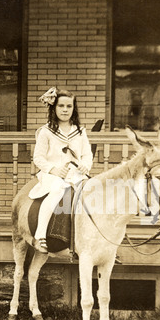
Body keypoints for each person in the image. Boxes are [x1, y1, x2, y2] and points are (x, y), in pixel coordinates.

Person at [29, 87, 93, 253]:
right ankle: (40, 235)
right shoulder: (46, 132)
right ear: (54, 108)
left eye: (69, 106)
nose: (65, 110)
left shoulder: (80, 132)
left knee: (94, 193)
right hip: (53, 175)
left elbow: (87, 155)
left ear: (74, 108)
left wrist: (85, 164)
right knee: (58, 189)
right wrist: (54, 170)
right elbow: (38, 158)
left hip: (76, 174)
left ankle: (93, 240)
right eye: (61, 106)